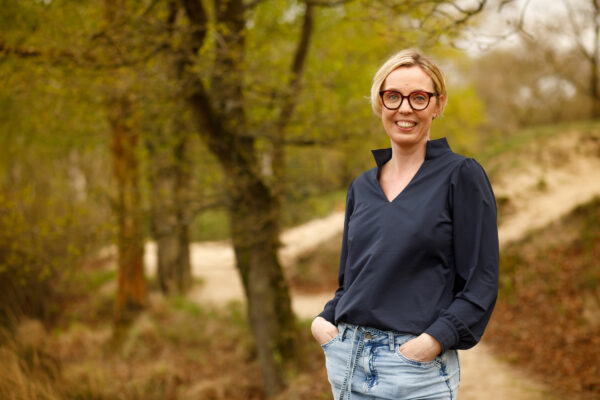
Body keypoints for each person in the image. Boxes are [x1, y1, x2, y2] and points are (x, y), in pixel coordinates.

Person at [311, 49, 499, 400]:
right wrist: (323, 322)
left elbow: (482, 282)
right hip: (346, 362)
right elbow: (351, 281)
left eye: (419, 97)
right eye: (393, 96)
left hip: (414, 371)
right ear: (380, 102)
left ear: (438, 105)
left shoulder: (462, 176)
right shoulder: (361, 187)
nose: (405, 108)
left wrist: (431, 342)